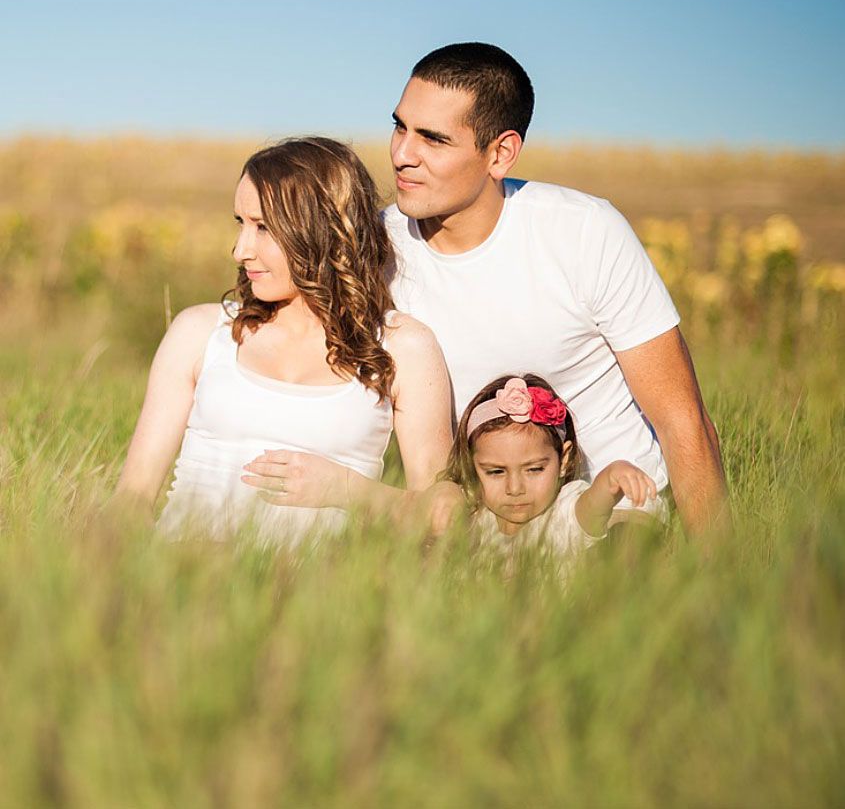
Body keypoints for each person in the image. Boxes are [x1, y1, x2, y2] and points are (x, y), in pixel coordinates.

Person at [380, 42, 728, 541]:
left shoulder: (585, 232)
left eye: (433, 139)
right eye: (400, 126)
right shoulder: (375, 247)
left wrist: (722, 583)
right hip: (479, 525)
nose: (402, 154)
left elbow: (682, 419)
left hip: (615, 519)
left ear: (500, 153)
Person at [112, 137, 452, 545]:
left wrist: (347, 489)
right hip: (183, 584)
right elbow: (130, 500)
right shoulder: (200, 333)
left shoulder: (403, 347)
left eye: (263, 227)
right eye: (241, 223)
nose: (240, 250)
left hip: (319, 599)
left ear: (323, 229)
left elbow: (444, 515)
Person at [443, 374, 658, 575]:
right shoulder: (475, 518)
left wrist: (612, 476)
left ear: (563, 460)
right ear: (471, 466)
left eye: (534, 469)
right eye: (496, 472)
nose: (515, 488)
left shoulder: (564, 512)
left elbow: (593, 506)